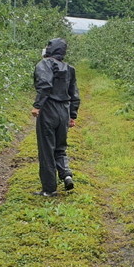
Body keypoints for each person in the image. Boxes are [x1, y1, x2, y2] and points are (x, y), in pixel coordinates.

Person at [32, 37, 80, 197]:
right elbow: (74, 94)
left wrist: (37, 105)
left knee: (46, 149)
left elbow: (45, 85)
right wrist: (72, 115)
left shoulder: (44, 64)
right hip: (64, 111)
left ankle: (49, 188)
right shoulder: (69, 68)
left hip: (49, 109)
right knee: (60, 147)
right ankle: (66, 174)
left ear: (50, 49)